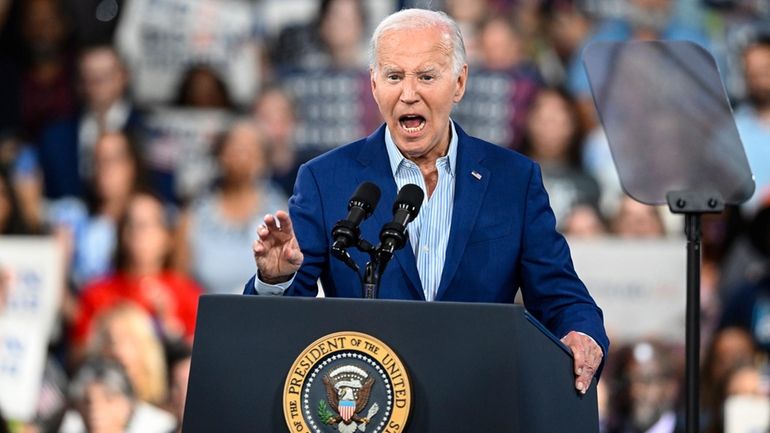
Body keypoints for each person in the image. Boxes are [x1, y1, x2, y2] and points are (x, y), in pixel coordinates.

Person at [245, 9, 607, 394]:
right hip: (368, 405)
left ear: (459, 83)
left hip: (478, 400)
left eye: (427, 76)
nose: (408, 93)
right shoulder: (325, 179)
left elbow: (561, 296)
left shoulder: (513, 180)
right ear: (373, 84)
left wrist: (582, 335)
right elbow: (278, 325)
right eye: (394, 76)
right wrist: (275, 278)